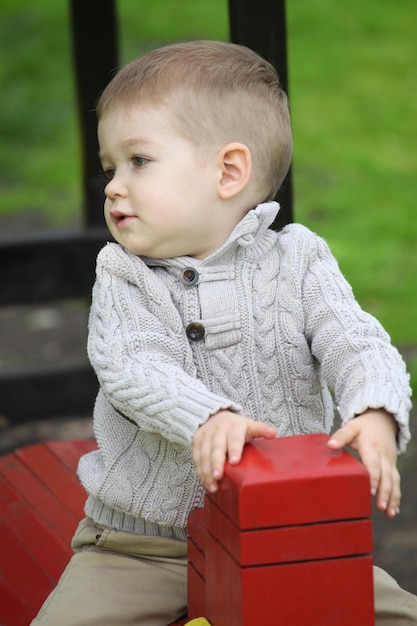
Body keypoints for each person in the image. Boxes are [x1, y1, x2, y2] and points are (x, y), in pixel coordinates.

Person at [32, 40, 416, 625]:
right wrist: (208, 416)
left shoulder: (300, 260)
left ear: (229, 171)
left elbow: (356, 340)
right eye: (110, 168)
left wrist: (375, 410)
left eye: (138, 161)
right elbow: (134, 365)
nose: (111, 185)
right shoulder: (124, 275)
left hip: (287, 536)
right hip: (142, 547)